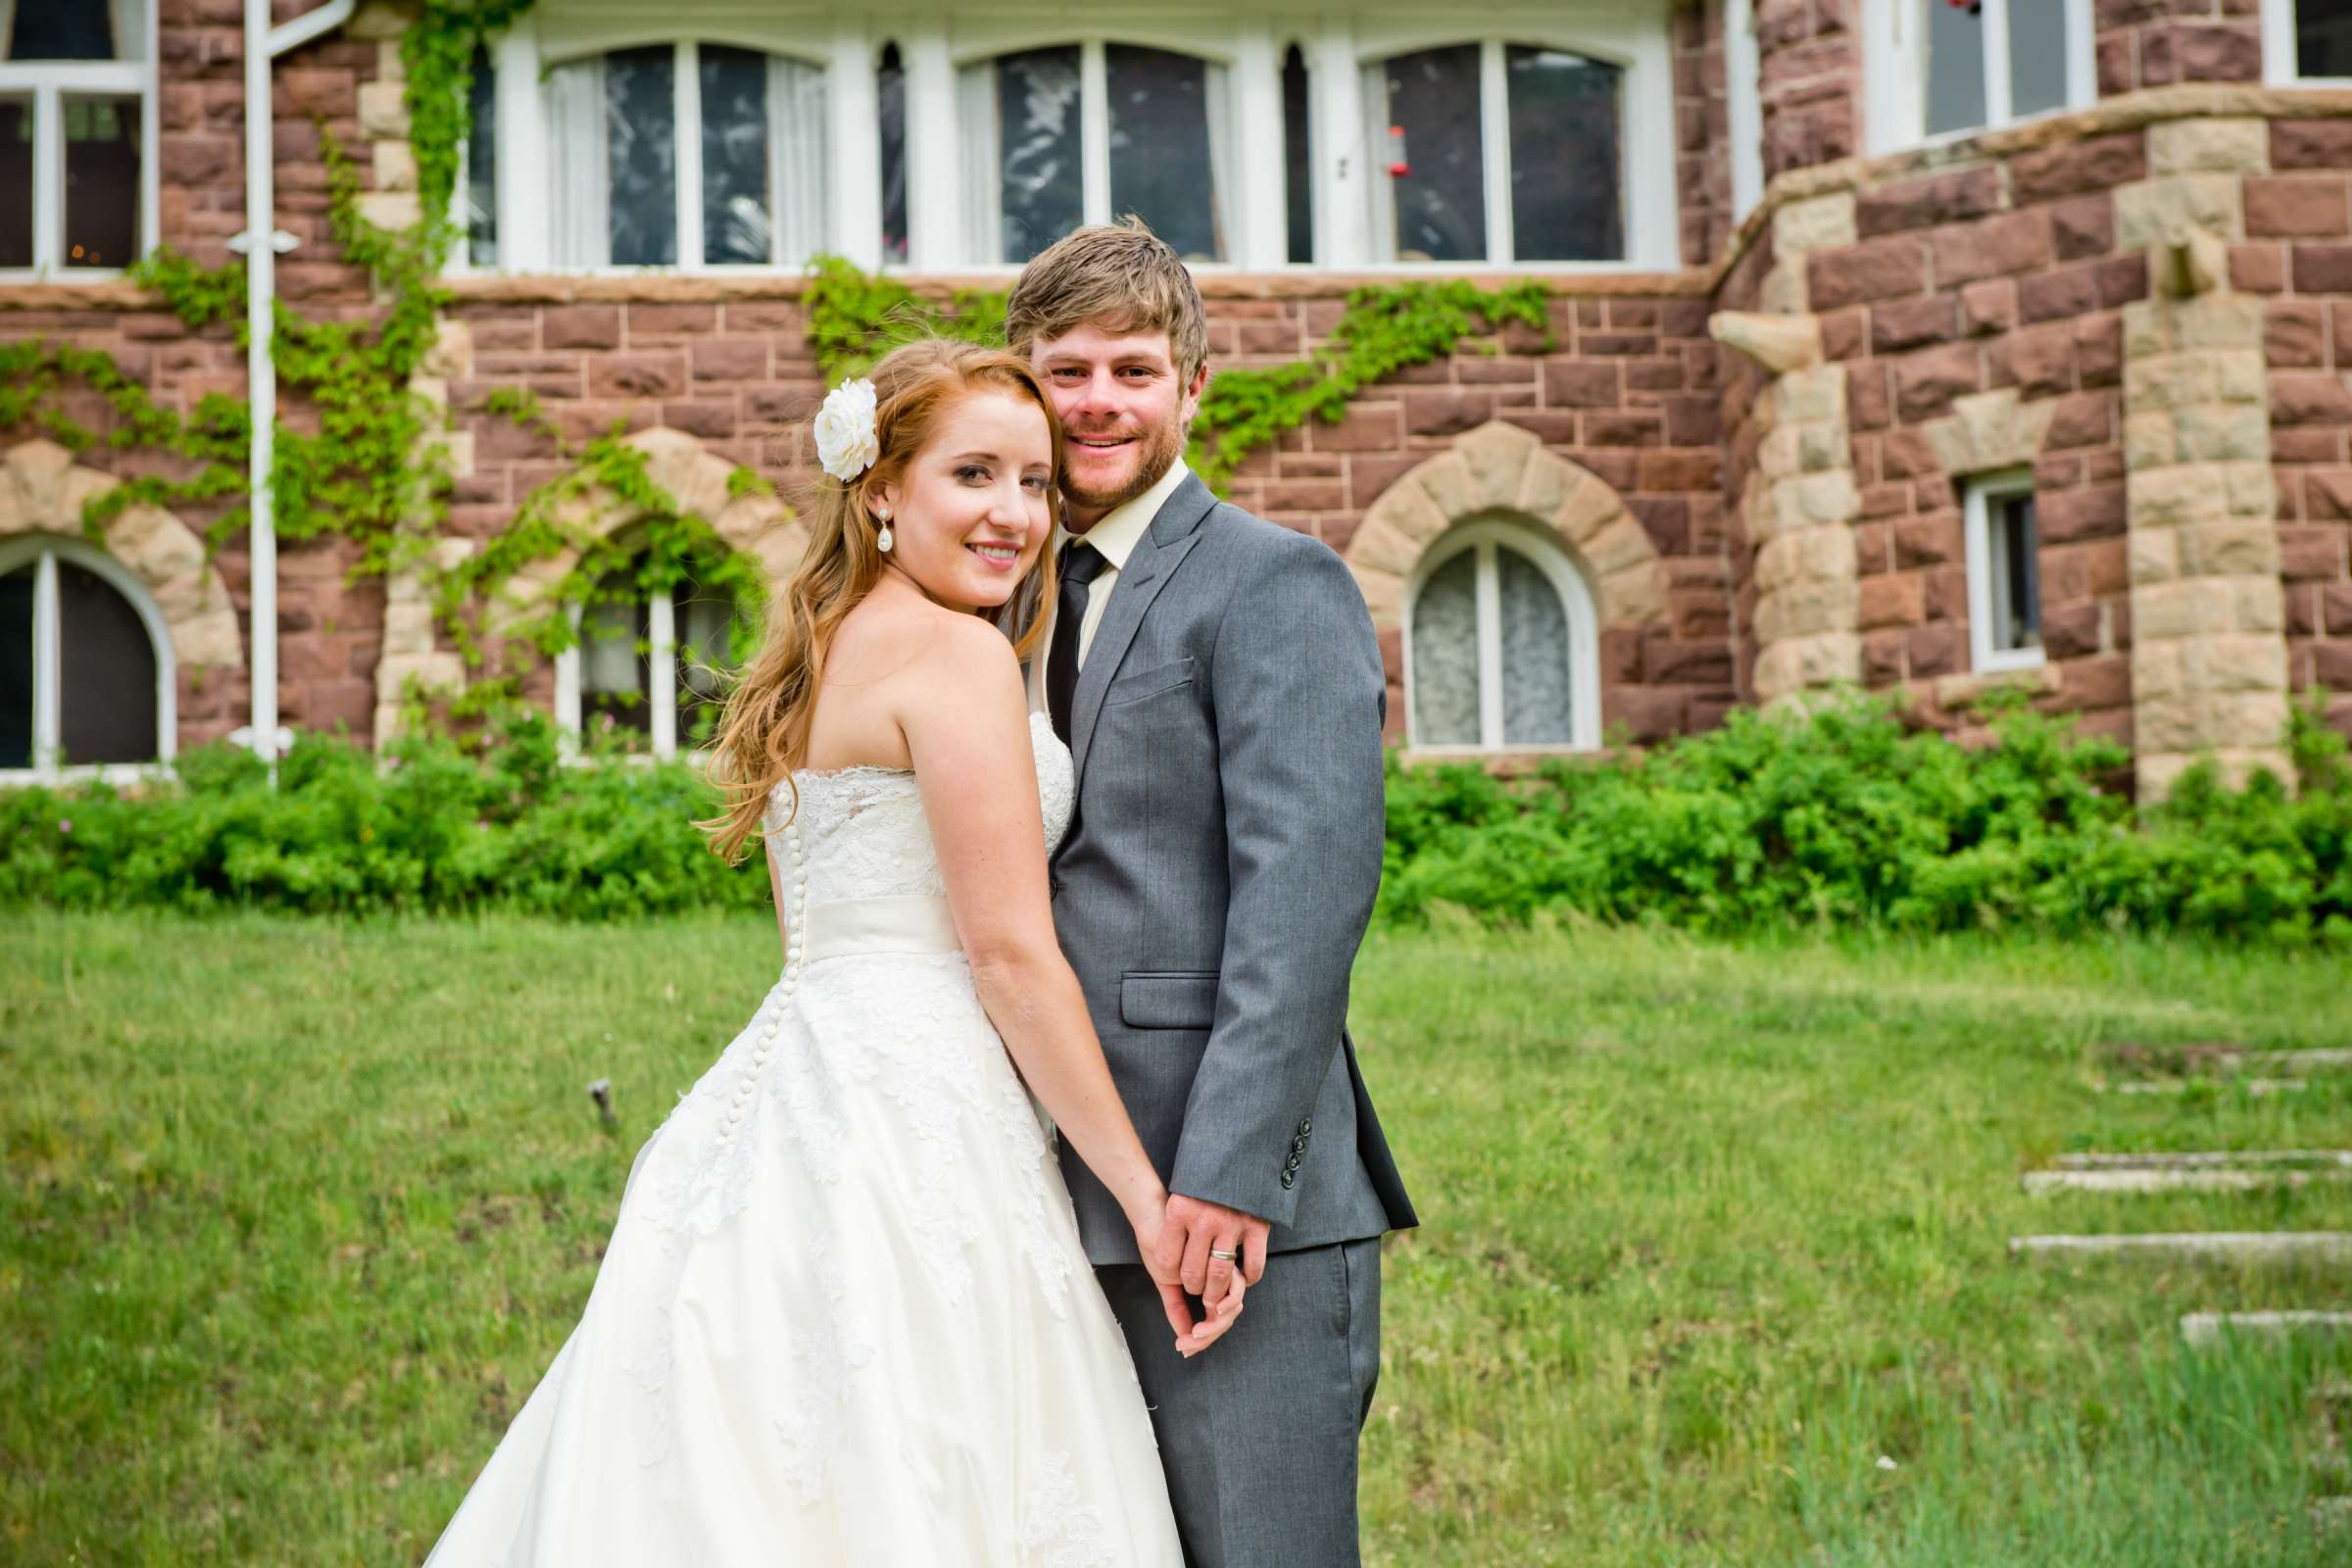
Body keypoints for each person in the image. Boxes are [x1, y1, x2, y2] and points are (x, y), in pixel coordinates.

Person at [421, 341, 1236, 1565]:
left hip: (791, 1088)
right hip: (923, 1113)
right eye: (973, 474)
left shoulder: (818, 650)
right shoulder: (957, 655)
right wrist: (1140, 1189)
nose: (1013, 513)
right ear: (880, 491)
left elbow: (817, 932)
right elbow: (1008, 956)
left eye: (1032, 480)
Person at [1007, 220, 1418, 1567]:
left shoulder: (1274, 583)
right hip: (1028, 1193)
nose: (1099, 402)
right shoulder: (993, 599)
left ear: (1194, 387)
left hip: (1224, 1208)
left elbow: (1305, 897)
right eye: (1067, 371)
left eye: (1133, 368)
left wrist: (1232, 1178)